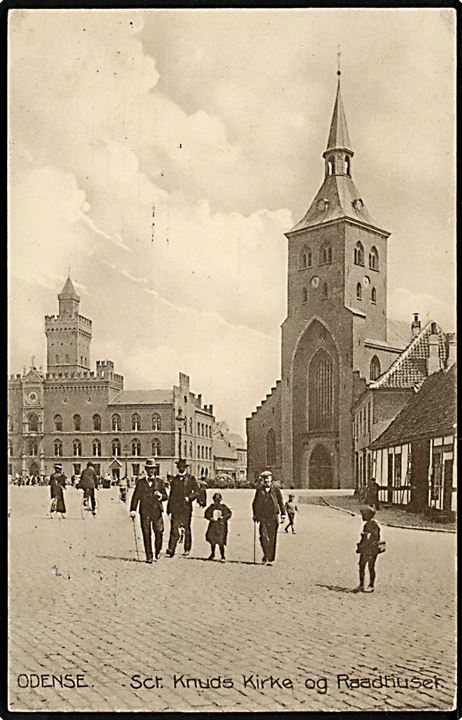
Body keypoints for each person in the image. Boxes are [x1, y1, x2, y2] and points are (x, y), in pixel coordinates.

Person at [129, 459, 168, 563]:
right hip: (145, 512)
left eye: (153, 469)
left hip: (157, 511)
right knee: (146, 533)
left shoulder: (160, 482)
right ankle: (149, 556)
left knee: (159, 531)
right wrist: (133, 509)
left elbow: (166, 496)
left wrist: (160, 496)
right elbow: (135, 497)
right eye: (149, 469)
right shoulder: (140, 482)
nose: (151, 471)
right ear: (146, 470)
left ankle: (158, 550)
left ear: (155, 469)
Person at [166, 459, 199, 558]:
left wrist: (189, 497)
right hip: (176, 508)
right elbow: (171, 495)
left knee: (187, 528)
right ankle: (171, 549)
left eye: (183, 467)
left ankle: (187, 548)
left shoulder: (190, 479)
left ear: (185, 468)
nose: (181, 468)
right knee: (173, 528)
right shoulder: (175, 480)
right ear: (177, 468)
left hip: (186, 507)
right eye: (179, 467)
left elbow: (197, 492)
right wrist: (169, 509)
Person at [252, 471, 285, 566]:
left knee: (272, 537)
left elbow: (280, 501)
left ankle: (270, 558)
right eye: (264, 478)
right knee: (263, 536)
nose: (266, 480)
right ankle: (266, 554)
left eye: (268, 478)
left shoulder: (276, 489)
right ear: (262, 480)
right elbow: (255, 503)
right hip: (263, 517)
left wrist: (283, 514)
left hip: (273, 516)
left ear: (271, 479)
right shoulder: (259, 489)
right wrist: (255, 515)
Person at [355, 506, 381, 593]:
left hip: (372, 549)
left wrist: (366, 535)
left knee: (371, 566)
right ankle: (361, 584)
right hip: (365, 548)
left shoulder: (374, 524)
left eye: (364, 514)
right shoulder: (366, 525)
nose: (362, 516)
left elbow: (375, 537)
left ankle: (371, 585)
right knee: (361, 565)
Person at [204, 492, 232, 562]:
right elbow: (206, 514)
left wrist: (223, 518)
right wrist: (210, 518)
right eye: (215, 499)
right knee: (212, 541)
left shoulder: (223, 507)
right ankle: (212, 554)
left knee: (221, 542)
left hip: (221, 526)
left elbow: (229, 514)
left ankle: (222, 556)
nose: (217, 500)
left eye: (218, 499)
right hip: (213, 526)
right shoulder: (211, 507)